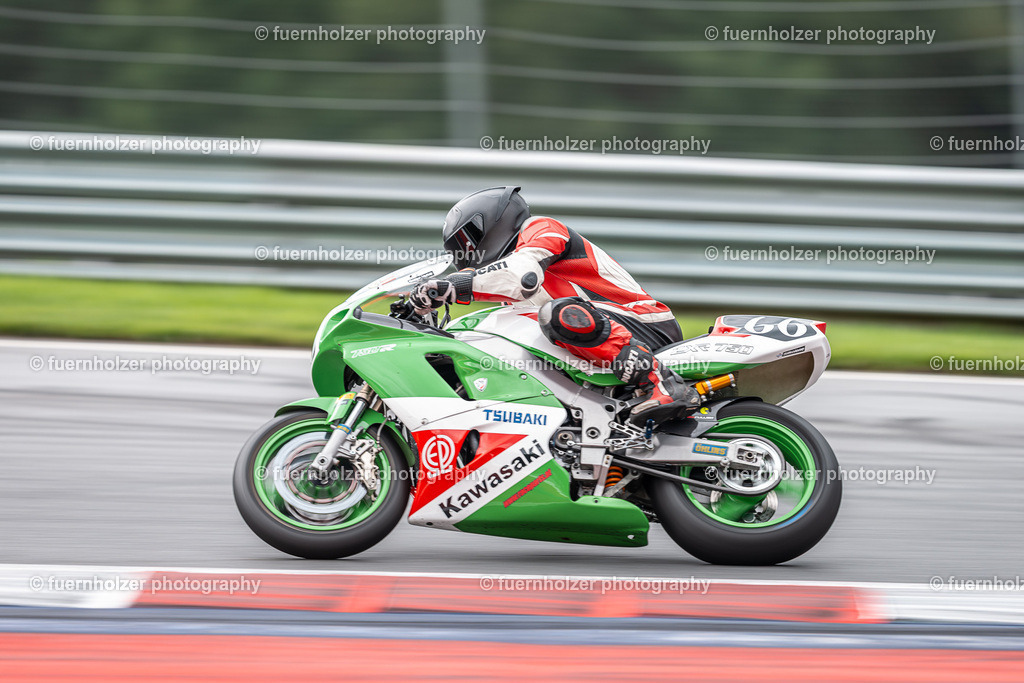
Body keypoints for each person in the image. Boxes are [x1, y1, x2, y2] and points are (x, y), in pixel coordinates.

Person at [410, 186, 699, 423]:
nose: (464, 254)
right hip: (598, 334)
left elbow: (522, 275)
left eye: (465, 243)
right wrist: (418, 309)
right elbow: (497, 282)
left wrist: (454, 284)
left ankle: (663, 383)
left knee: (558, 313)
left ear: (489, 224)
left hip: (642, 322)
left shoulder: (542, 229)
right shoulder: (502, 278)